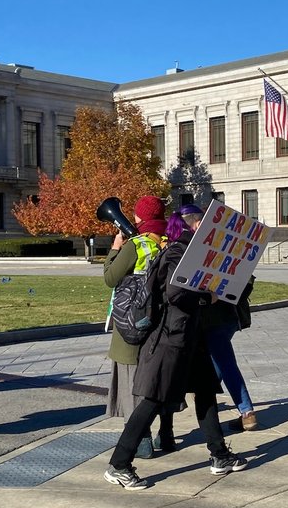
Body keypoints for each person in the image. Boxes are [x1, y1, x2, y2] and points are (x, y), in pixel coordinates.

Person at [104, 204, 246, 490]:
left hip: (188, 337)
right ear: (194, 227)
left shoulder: (188, 252)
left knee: (205, 391)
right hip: (170, 339)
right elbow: (176, 293)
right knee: (153, 400)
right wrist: (209, 298)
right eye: (203, 227)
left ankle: (219, 455)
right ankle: (119, 464)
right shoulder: (177, 253)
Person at [102, 195, 174, 457]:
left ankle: (140, 440)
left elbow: (111, 278)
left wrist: (115, 248)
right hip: (161, 322)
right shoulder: (170, 242)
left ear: (141, 217)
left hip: (133, 320)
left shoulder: (136, 245)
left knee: (131, 381)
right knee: (159, 380)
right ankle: (166, 433)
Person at [201, 274, 258, 432]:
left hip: (213, 318)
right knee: (218, 363)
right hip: (230, 317)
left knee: (225, 364)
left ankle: (247, 412)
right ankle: (207, 399)